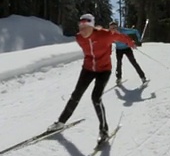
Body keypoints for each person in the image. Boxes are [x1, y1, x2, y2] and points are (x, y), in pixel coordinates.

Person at [48, 13, 137, 143]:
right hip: (88, 69)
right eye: (80, 27)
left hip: (104, 70)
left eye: (85, 27)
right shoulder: (79, 38)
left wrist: (131, 43)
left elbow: (121, 37)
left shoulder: (105, 35)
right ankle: (60, 122)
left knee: (96, 97)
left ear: (92, 26)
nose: (82, 31)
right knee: (76, 95)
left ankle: (104, 130)